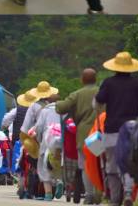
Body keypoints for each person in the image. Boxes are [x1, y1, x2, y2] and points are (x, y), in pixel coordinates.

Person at [95, 52, 138, 206]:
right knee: (128, 162)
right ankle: (129, 193)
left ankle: (114, 198)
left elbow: (97, 103)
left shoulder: (108, 83)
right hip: (131, 130)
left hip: (111, 129)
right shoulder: (137, 84)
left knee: (111, 164)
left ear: (114, 67)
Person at [55, 68, 99, 204]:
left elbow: (61, 108)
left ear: (82, 80)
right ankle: (100, 194)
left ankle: (90, 195)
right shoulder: (102, 92)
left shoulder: (77, 94)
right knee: (100, 164)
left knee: (86, 165)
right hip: (100, 131)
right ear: (96, 79)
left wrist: (56, 101)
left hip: (84, 134)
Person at [34, 94, 64, 201]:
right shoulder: (64, 111)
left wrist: (39, 139)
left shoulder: (44, 111)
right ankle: (59, 181)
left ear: (48, 102)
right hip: (61, 139)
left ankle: (48, 194)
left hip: (48, 139)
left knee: (44, 165)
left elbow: (39, 127)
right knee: (58, 163)